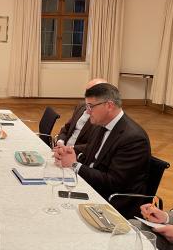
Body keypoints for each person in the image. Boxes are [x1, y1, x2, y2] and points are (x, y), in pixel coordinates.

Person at [54, 83, 150, 218]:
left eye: (90, 106)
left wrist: (74, 165)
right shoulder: (101, 124)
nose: (87, 112)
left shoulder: (133, 138)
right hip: (91, 186)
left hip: (112, 202)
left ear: (109, 105)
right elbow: (91, 155)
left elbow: (114, 183)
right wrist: (70, 153)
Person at [55, 78, 106, 155]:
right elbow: (66, 128)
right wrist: (60, 142)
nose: (87, 96)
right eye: (87, 92)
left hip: (79, 156)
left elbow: (95, 146)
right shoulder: (81, 106)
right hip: (62, 150)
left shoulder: (103, 118)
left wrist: (70, 149)